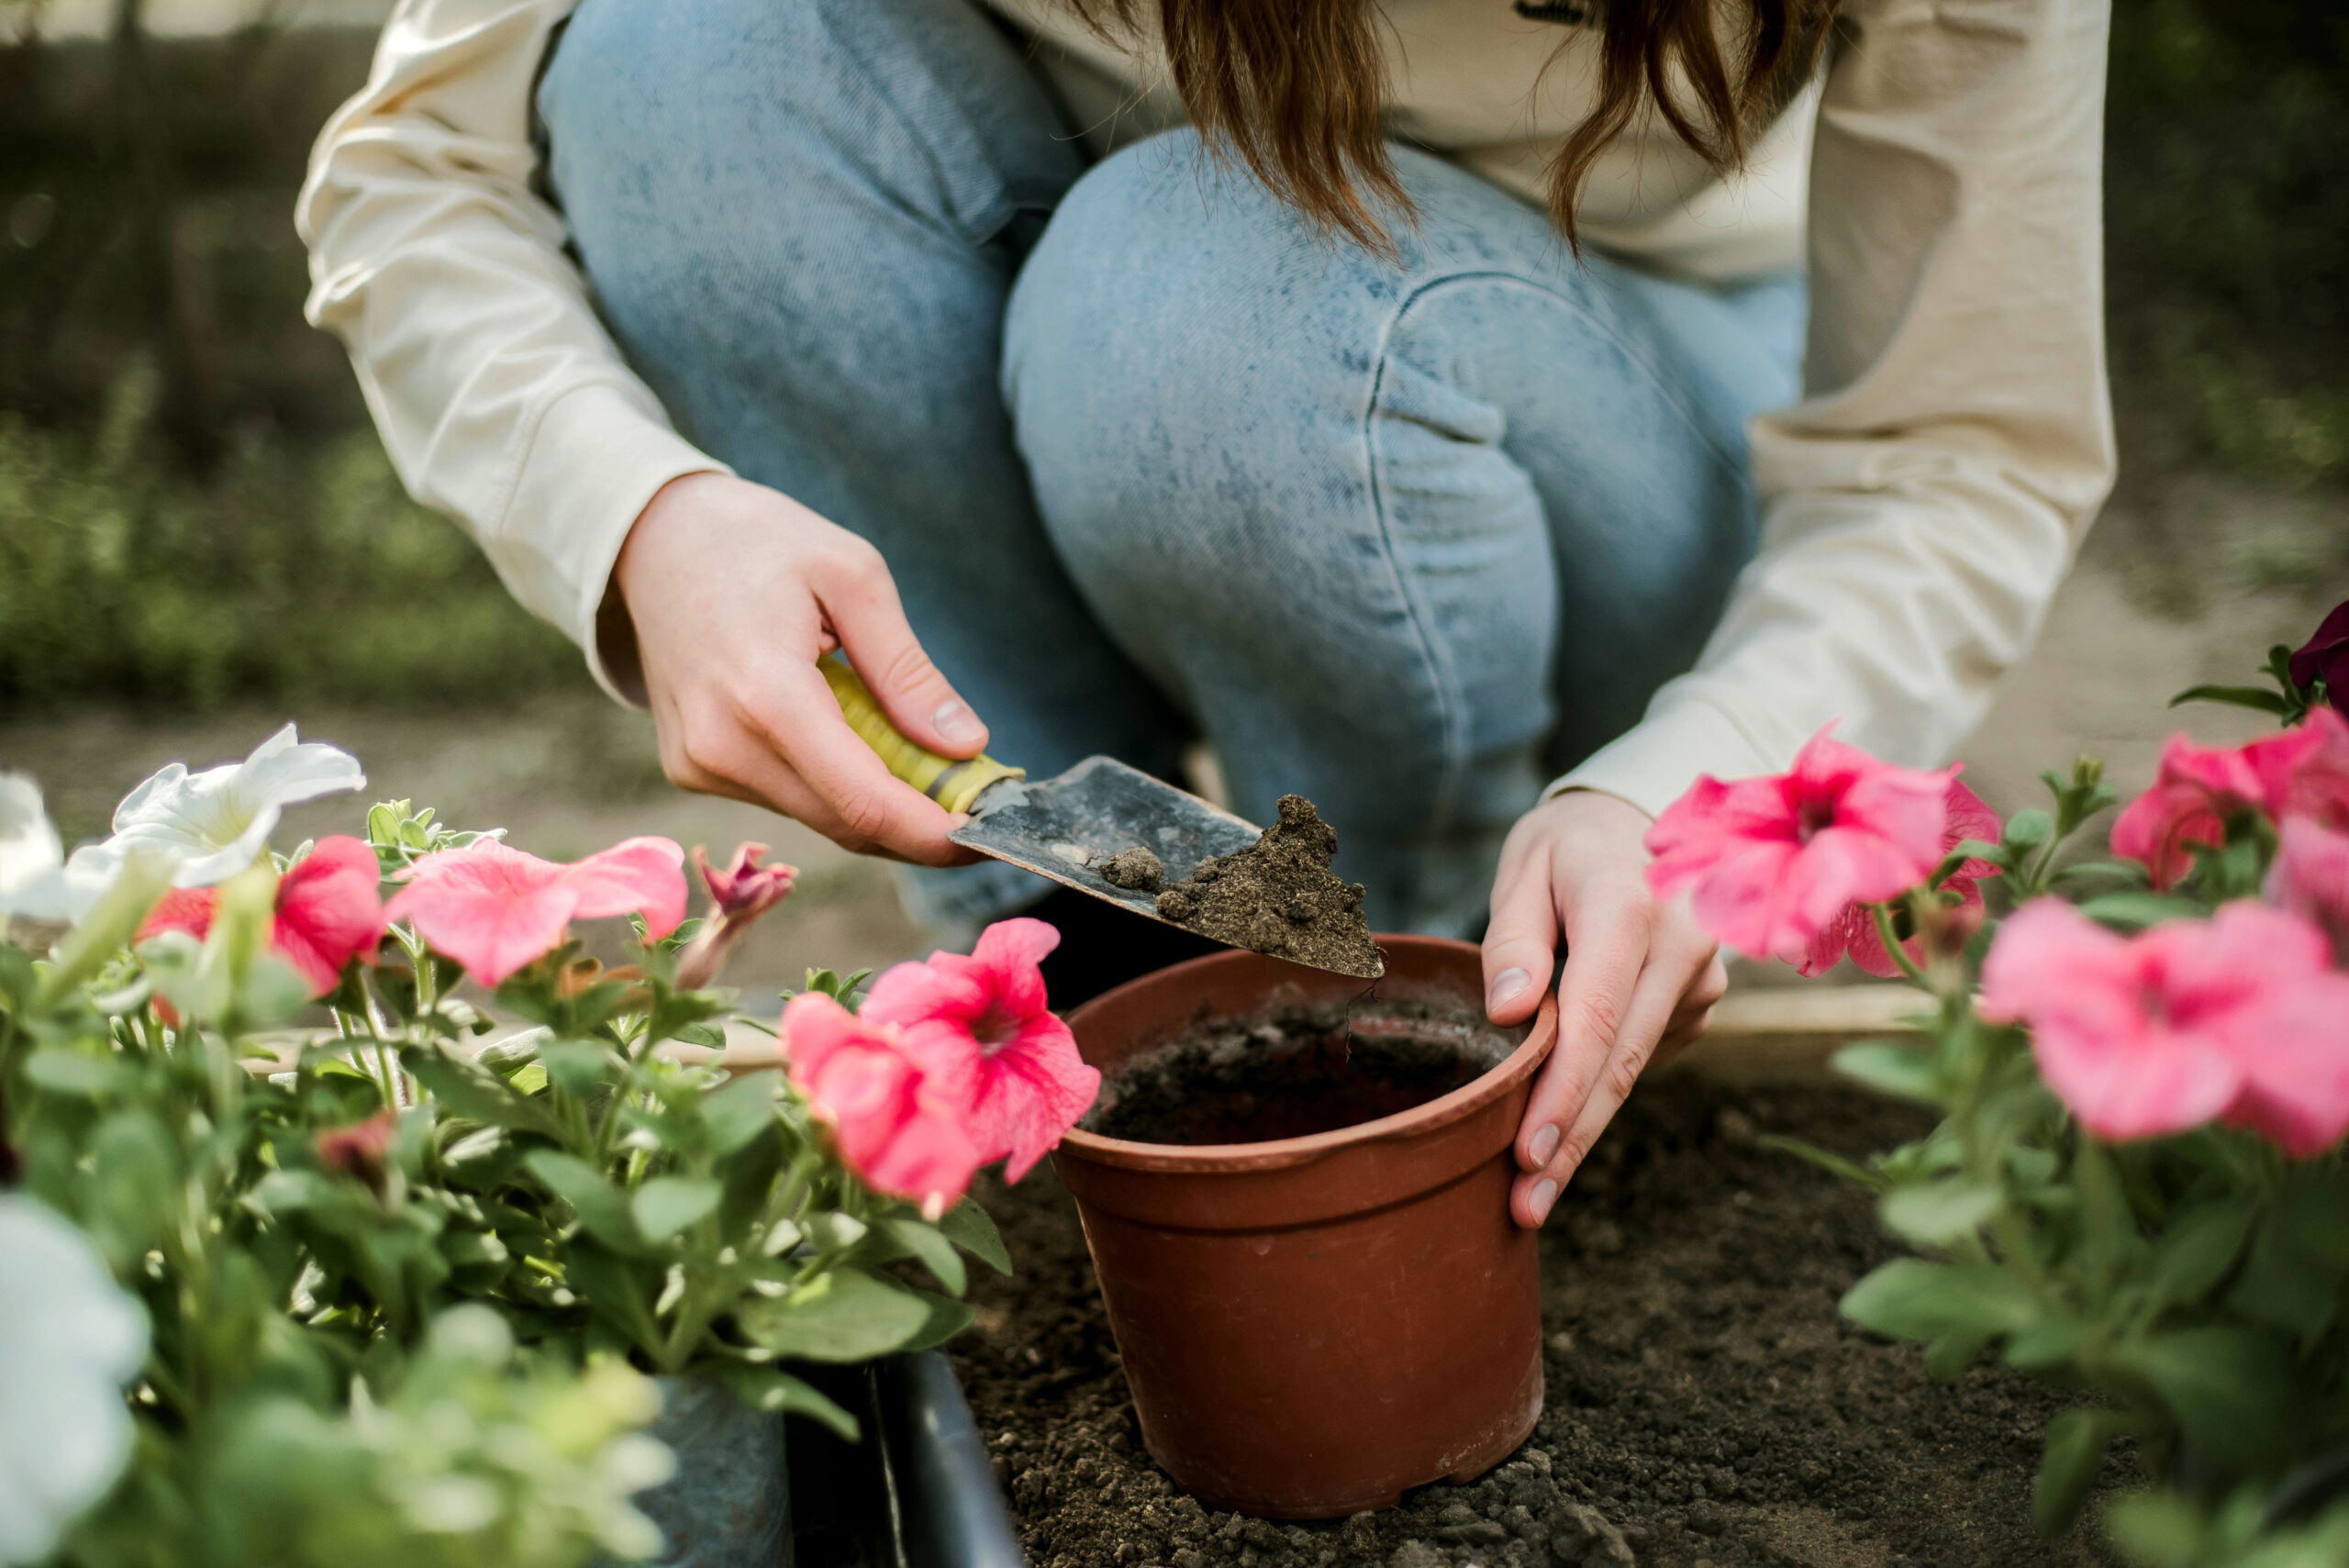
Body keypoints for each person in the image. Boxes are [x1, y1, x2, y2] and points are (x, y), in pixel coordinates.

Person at [299, 0, 2113, 1228]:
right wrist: (640, 515)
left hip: (1614, 418)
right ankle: (1080, 948)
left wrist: (1692, 779)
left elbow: (1955, 448)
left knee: (1201, 290)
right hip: (1106, 318)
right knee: (676, 63)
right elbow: (413, 171)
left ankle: (1422, 991)